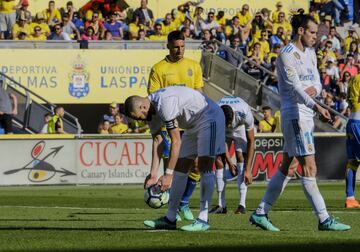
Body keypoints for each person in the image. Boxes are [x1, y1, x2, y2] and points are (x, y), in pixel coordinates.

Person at [249, 14, 351, 231]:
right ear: (301, 31)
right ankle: (324, 219)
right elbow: (295, 88)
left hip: (306, 113)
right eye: (312, 32)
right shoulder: (286, 55)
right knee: (309, 166)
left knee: (290, 165)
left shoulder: (311, 53)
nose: (316, 37)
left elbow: (317, 82)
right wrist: (317, 105)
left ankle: (260, 212)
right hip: (295, 115)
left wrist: (313, 95)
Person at [124, 86, 225, 231]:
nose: (138, 120)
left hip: (210, 117)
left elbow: (176, 141)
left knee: (204, 165)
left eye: (137, 116)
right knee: (180, 168)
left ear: (142, 106)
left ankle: (203, 219)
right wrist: (153, 174)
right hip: (193, 124)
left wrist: (167, 175)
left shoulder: (164, 103)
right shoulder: (151, 111)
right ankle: (170, 219)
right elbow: (158, 140)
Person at [148, 30, 204, 222]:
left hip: (190, 123)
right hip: (170, 125)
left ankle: (184, 203)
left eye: (182, 47)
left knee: (195, 165)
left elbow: (199, 94)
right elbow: (156, 101)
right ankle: (172, 210)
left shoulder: (194, 66)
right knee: (172, 168)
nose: (179, 50)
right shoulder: (158, 69)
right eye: (175, 47)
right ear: (168, 46)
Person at [210, 96, 255, 214]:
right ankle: (221, 205)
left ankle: (242, 205)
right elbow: (221, 141)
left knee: (241, 158)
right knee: (218, 159)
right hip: (223, 131)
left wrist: (249, 170)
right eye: (226, 124)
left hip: (240, 127)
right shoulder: (214, 112)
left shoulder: (244, 111)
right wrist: (230, 163)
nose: (229, 126)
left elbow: (251, 141)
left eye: (229, 123)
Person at [345, 74, 360, 208]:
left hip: (351, 121)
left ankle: (350, 198)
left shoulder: (354, 79)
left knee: (353, 162)